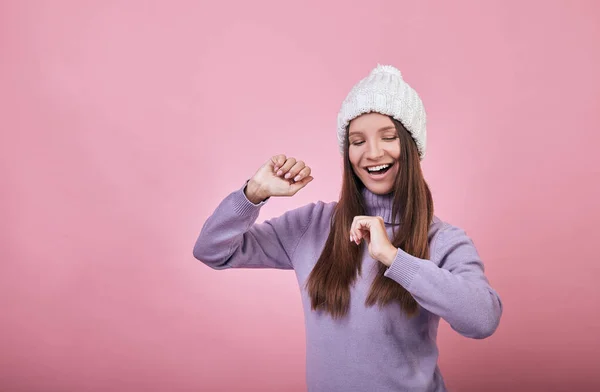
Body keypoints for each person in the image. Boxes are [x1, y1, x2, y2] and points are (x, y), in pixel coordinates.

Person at [193, 64, 503, 391]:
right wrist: (253, 193)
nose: (373, 153)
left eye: (389, 137)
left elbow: (482, 320)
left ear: (412, 147)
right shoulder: (311, 226)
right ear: (348, 153)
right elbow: (211, 250)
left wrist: (394, 258)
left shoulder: (441, 239)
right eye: (358, 141)